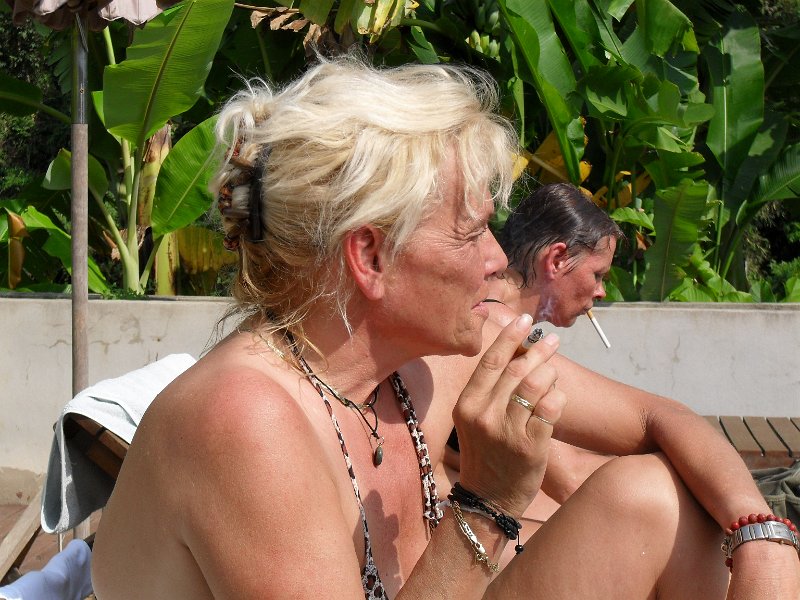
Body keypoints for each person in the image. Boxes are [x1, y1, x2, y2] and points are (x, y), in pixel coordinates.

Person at [91, 54, 800, 599]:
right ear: (370, 256)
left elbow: (658, 419)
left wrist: (762, 536)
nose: (498, 260)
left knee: (655, 498)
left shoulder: (432, 357)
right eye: (473, 232)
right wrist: (488, 503)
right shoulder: (245, 422)